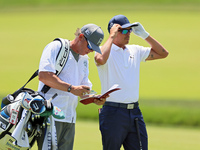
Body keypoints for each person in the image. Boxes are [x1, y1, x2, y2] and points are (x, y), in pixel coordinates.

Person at [95, 15, 169, 150]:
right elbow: (100, 59)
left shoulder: (135, 50)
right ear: (113, 32)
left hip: (134, 112)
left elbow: (163, 53)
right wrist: (111, 37)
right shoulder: (104, 50)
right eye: (123, 30)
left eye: (129, 30)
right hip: (112, 112)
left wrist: (145, 35)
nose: (128, 33)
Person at [37, 23, 105, 150]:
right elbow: (44, 76)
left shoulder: (84, 59)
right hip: (50, 115)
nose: (91, 51)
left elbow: (83, 88)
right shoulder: (56, 47)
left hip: (70, 118)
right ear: (80, 37)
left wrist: (93, 98)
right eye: (90, 46)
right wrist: (71, 88)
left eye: (94, 49)